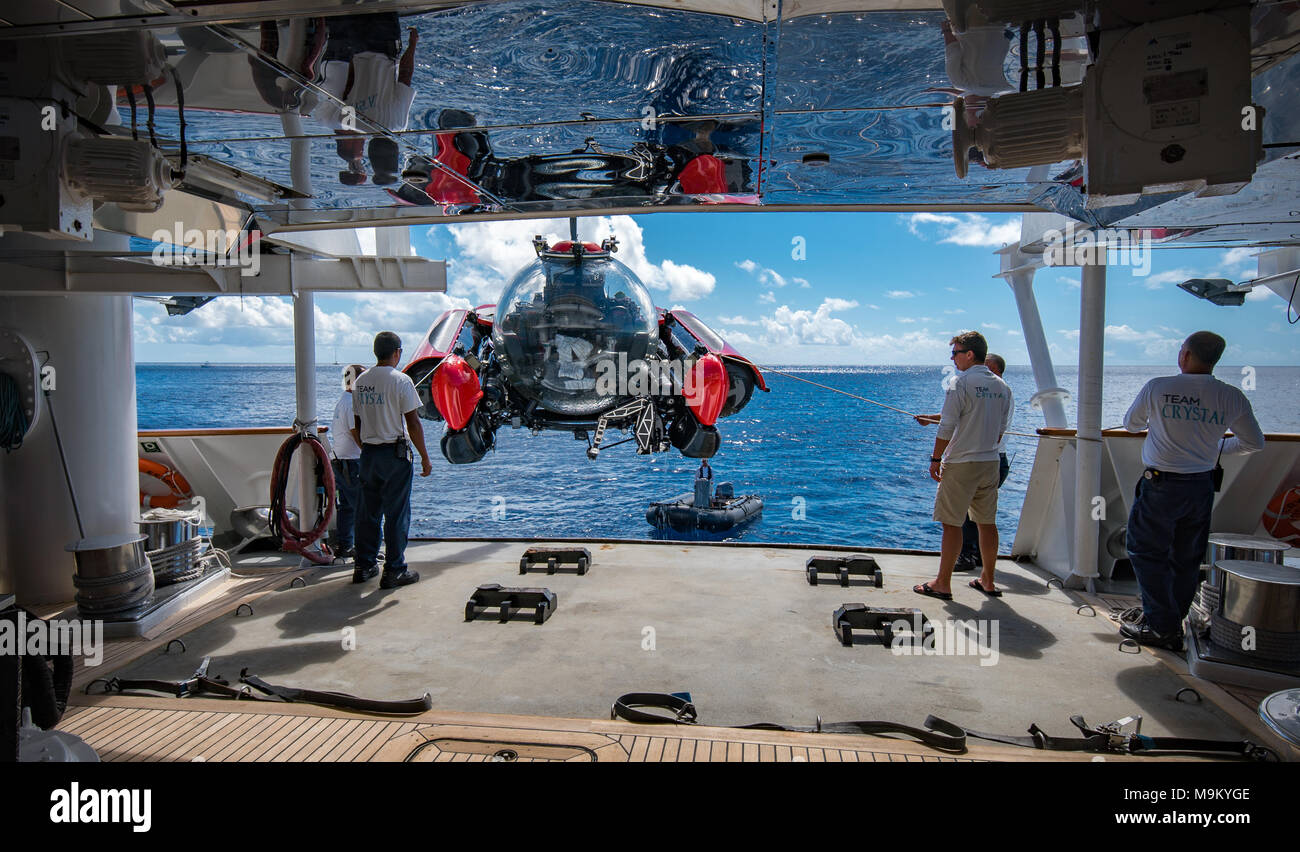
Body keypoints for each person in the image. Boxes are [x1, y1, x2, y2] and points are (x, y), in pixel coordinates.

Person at [1120, 331, 1264, 649]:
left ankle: (1161, 625)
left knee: (1145, 551)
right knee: (1185, 558)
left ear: (1184, 355)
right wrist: (1214, 448)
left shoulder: (1159, 387)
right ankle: (1170, 621)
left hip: (1160, 484)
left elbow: (1131, 424)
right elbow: (1254, 442)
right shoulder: (1231, 395)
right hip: (1200, 487)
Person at [914, 331, 1012, 600]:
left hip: (962, 464)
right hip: (990, 462)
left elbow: (947, 424)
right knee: (987, 523)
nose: (952, 358)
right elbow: (1000, 431)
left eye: (955, 353)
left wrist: (935, 459)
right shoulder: (1003, 388)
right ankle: (988, 581)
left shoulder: (960, 383)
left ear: (970, 354)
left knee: (951, 523)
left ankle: (942, 583)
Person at [351, 332, 432, 589]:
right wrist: (425, 458)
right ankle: (394, 570)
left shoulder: (361, 381)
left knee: (367, 513)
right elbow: (414, 423)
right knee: (396, 514)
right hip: (394, 456)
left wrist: (367, 447)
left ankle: (364, 566)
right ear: (397, 352)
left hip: (369, 455)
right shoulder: (401, 381)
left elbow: (357, 422)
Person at [328, 364, 366, 560]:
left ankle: (345, 545)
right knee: (362, 507)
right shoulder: (352, 402)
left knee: (347, 506)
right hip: (351, 461)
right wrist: (367, 452)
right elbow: (355, 432)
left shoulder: (343, 400)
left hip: (341, 459)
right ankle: (363, 550)